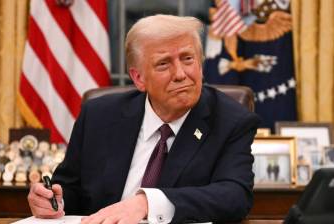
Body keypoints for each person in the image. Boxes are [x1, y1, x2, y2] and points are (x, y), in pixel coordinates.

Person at [27, 14, 260, 224]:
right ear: (138, 78)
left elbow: (235, 196)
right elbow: (69, 189)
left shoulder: (231, 120)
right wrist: (52, 201)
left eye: (188, 59)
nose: (180, 74)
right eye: (163, 64)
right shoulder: (98, 116)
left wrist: (148, 202)